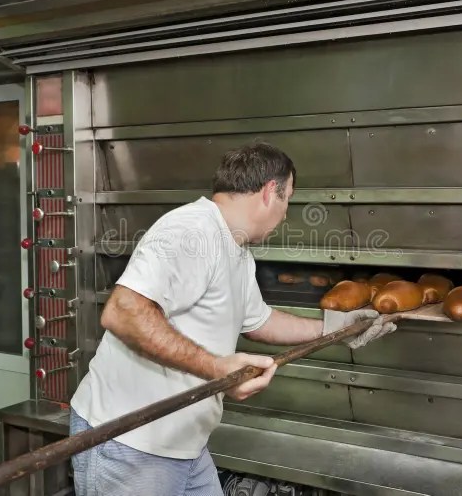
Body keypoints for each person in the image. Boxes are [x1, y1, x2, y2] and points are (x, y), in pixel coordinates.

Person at [69, 142, 396, 495]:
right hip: (130, 443)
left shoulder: (236, 251)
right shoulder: (192, 231)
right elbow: (123, 312)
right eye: (287, 199)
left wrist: (334, 328)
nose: (285, 214)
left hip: (183, 445)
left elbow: (259, 322)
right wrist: (216, 368)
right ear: (270, 191)